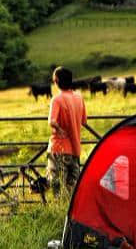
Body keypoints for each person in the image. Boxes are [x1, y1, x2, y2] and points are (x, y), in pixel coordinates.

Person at [47, 67, 88, 197]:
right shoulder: (79, 97)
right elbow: (83, 121)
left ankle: (58, 214)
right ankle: (69, 216)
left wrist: (59, 130)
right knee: (72, 191)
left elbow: (52, 122)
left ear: (57, 81)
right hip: (75, 150)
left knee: (57, 189)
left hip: (59, 148)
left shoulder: (57, 99)